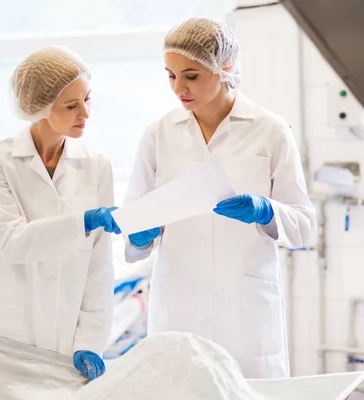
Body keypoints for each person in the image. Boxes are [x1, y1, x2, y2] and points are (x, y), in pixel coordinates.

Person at [123, 18, 316, 379]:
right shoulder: (158, 134)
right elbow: (135, 220)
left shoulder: (270, 130)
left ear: (225, 67)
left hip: (245, 312)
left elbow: (304, 226)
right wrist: (138, 236)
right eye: (170, 75)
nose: (178, 88)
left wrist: (266, 211)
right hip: (179, 306)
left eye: (191, 75)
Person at [0, 46, 119, 381]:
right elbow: (12, 241)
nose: (86, 112)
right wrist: (82, 222)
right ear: (40, 108)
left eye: (87, 99)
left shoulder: (96, 165)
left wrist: (91, 341)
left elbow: (99, 264)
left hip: (67, 343)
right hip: (5, 336)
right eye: (71, 105)